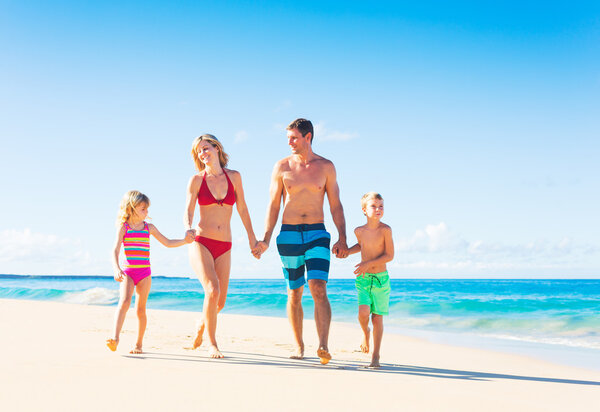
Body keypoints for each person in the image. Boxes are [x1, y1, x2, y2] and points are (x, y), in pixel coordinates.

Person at [255, 118, 348, 364]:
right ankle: (298, 346)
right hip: (289, 233)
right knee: (294, 292)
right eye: (288, 138)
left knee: (318, 287)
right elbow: (273, 205)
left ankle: (324, 345)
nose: (290, 142)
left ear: (308, 137)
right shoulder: (282, 166)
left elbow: (335, 205)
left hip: (318, 232)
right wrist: (265, 238)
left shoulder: (326, 166)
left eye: (294, 137)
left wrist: (343, 238)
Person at [185, 134, 260, 358]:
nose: (203, 153)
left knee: (220, 301)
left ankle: (201, 324)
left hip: (225, 244)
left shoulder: (234, 177)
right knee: (212, 289)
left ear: (217, 148)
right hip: (202, 241)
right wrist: (187, 226)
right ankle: (212, 344)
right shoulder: (197, 180)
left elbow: (243, 209)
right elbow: (188, 209)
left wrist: (252, 239)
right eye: (199, 151)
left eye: (206, 148)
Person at [107, 190, 194, 354]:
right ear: (131, 208)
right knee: (124, 302)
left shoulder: (149, 228)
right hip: (128, 273)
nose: (147, 212)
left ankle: (138, 344)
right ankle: (115, 338)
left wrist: (184, 241)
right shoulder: (123, 228)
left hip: (145, 274)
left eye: (147, 209)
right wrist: (116, 268)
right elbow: (115, 251)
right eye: (143, 209)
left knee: (141, 310)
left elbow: (167, 242)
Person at [345, 192, 394, 368]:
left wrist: (368, 263)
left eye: (381, 206)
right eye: (373, 206)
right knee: (363, 313)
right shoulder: (359, 231)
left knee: (377, 318)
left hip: (381, 280)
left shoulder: (385, 230)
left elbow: (389, 255)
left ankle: (376, 356)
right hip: (364, 279)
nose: (378, 209)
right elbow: (361, 246)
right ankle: (365, 333)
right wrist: (347, 251)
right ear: (364, 210)